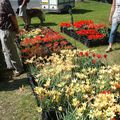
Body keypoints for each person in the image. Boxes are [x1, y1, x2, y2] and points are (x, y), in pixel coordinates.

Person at [0, 0, 23, 77]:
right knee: (5, 49)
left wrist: (16, 27)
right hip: (2, 29)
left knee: (11, 50)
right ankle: (10, 66)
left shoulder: (4, 2)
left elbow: (12, 16)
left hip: (7, 29)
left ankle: (19, 69)